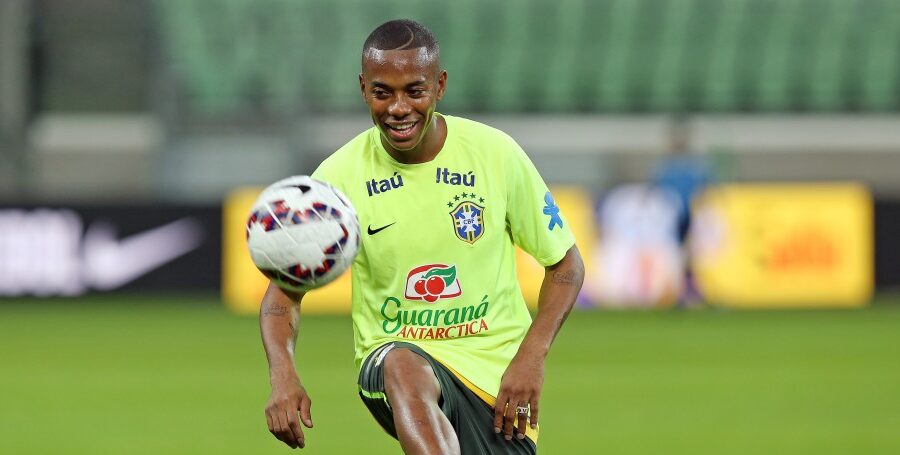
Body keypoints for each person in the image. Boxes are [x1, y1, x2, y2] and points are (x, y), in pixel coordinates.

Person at [259, 19, 584, 454]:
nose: (398, 108)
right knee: (402, 364)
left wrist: (531, 358)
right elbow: (283, 295)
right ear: (362, 89)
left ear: (440, 86)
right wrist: (283, 374)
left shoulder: (496, 155)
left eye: (414, 90)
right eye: (382, 92)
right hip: (391, 361)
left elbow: (565, 266)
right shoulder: (337, 182)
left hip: (495, 382)